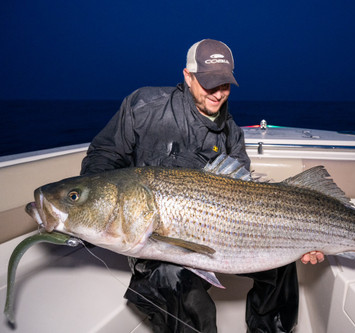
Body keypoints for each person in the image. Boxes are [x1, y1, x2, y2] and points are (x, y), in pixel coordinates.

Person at [80, 39, 324, 333]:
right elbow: (104, 155)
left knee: (283, 266)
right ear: (187, 76)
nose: (218, 93)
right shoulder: (144, 107)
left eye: (225, 84)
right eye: (209, 83)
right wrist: (93, 210)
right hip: (151, 236)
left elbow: (243, 197)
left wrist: (301, 241)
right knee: (176, 281)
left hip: (218, 232)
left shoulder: (231, 134)